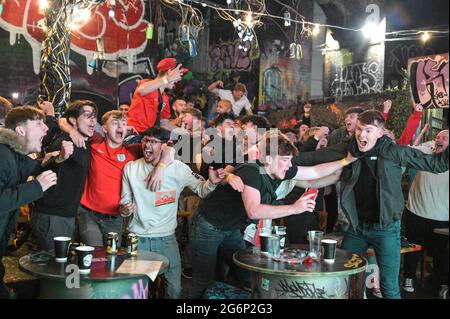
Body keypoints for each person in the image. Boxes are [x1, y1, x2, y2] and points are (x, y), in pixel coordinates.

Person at [292, 110, 449, 299]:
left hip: (386, 229)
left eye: (368, 130)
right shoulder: (349, 150)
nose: (362, 134)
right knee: (344, 278)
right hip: (357, 228)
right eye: (359, 129)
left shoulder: (394, 152)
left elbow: (437, 164)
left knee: (389, 285)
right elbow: (315, 157)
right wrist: (281, 162)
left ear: (379, 133)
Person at [189, 131, 357, 298]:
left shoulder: (280, 170)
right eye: (285, 160)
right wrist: (294, 208)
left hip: (230, 229)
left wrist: (345, 161)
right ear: (268, 159)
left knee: (247, 276)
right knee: (203, 281)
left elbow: (313, 172)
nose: (289, 165)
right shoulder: (252, 172)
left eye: (290, 160)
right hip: (208, 226)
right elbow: (253, 210)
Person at [120, 127, 226, 298]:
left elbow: (202, 190)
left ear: (164, 146)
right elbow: (124, 203)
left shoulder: (179, 169)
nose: (147, 145)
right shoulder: (131, 168)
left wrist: (212, 183)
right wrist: (125, 209)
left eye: (153, 142)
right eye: (145, 140)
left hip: (167, 239)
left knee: (174, 290)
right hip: (139, 238)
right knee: (138, 292)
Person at [77, 110, 173, 247]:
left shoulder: (133, 150)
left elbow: (169, 150)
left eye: (123, 123)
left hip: (115, 217)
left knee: (112, 257)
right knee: (95, 254)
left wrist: (160, 168)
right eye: (115, 123)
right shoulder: (94, 144)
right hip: (88, 214)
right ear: (104, 128)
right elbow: (66, 122)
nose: (120, 126)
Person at [0, 106, 58, 298]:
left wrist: (46, 163)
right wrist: (36, 187)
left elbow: (21, 168)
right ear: (20, 131)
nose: (46, 128)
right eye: (39, 123)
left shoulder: (10, 153)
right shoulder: (2, 154)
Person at [32, 100, 98, 251]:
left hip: (66, 216)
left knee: (60, 266)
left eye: (94, 116)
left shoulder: (84, 142)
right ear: (73, 120)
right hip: (52, 216)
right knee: (53, 267)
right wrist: (58, 157)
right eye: (87, 116)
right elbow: (47, 164)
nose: (93, 120)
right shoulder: (64, 142)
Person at [402, 129, 449, 296]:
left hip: (443, 218)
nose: (439, 139)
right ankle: (408, 278)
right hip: (416, 212)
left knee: (441, 254)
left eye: (444, 137)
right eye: (438, 137)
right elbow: (409, 149)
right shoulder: (426, 151)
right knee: (413, 249)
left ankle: (442, 284)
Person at [127, 58, 188, 134]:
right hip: (133, 133)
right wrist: (167, 79)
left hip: (147, 136)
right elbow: (142, 90)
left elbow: (164, 123)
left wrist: (186, 132)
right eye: (178, 75)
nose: (179, 79)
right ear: (169, 72)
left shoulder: (165, 98)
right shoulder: (147, 83)